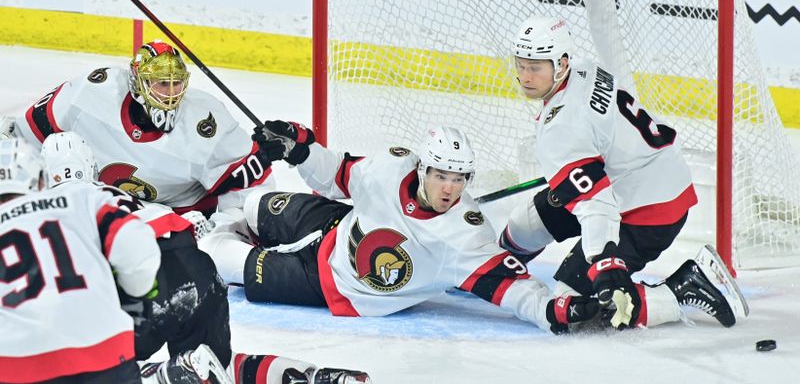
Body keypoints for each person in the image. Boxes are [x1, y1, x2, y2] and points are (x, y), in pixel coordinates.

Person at [200, 122, 600, 335]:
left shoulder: (466, 235)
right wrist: (299, 148)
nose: (450, 188)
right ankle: (214, 222)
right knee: (250, 204)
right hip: (334, 225)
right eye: (442, 175)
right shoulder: (392, 168)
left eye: (460, 179)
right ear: (421, 169)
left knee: (216, 258)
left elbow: (514, 290)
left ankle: (201, 235)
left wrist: (556, 310)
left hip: (333, 284)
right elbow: (336, 174)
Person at [40, 131, 369, 384]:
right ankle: (311, 376)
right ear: (93, 170)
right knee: (215, 364)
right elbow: (183, 231)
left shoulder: (36, 216)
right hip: (196, 271)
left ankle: (173, 373)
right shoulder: (118, 196)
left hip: (147, 285)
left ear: (43, 178)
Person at [499, 15, 742, 330]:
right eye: (521, 65)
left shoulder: (562, 129)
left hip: (648, 212)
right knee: (527, 221)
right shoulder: (582, 67)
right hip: (641, 177)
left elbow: (597, 204)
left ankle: (680, 290)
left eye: (535, 68)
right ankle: (496, 266)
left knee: (574, 305)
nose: (525, 76)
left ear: (560, 63)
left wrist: (604, 260)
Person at [2, 40, 283, 216]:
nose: (171, 92)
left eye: (176, 82)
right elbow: (26, 135)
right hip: (96, 209)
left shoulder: (206, 121)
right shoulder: (93, 91)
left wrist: (221, 228)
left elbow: (250, 191)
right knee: (62, 147)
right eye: (161, 83)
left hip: (180, 221)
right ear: (137, 82)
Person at [0, 137, 160, 383]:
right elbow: (136, 244)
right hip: (104, 349)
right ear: (38, 176)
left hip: (17, 366)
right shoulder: (79, 199)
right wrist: (135, 296)